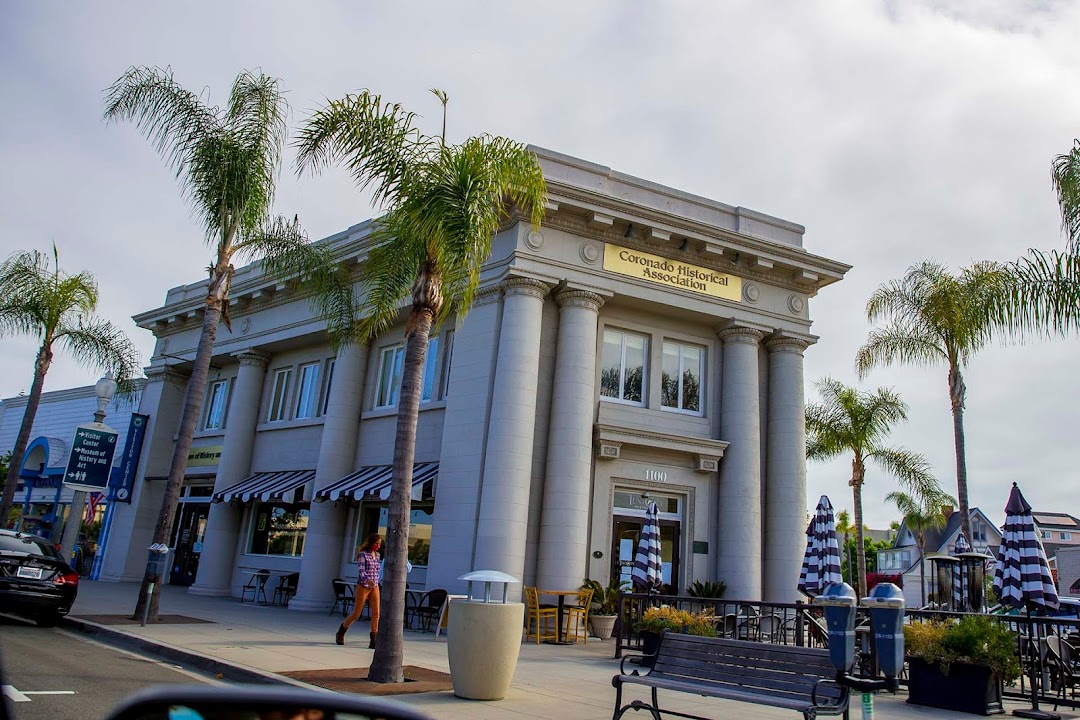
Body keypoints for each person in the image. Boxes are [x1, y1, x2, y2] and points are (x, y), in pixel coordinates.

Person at [335, 534, 381, 648]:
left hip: (374, 586)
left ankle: (374, 638)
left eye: (379, 544)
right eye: (376, 543)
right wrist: (367, 579)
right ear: (371, 543)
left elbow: (377, 571)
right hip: (363, 586)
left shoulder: (378, 555)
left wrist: (375, 581)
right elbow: (361, 570)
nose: (378, 546)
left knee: (376, 613)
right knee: (356, 613)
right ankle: (342, 631)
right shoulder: (363, 554)